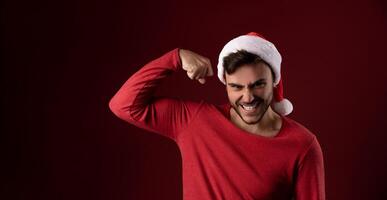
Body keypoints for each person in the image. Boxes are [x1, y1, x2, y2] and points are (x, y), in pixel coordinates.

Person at [109, 32, 326, 200]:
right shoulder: (195, 122)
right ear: (226, 85)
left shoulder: (302, 145)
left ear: (275, 82)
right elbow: (123, 105)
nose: (247, 97)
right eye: (236, 87)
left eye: (258, 85)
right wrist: (175, 58)